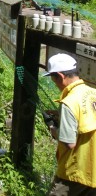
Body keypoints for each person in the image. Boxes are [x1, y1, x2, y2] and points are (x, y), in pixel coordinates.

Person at [44, 53, 96, 195]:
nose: (55, 85)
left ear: (60, 76)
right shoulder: (93, 92)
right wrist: (60, 115)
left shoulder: (69, 103)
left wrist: (53, 129)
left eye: (54, 80)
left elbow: (69, 143)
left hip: (76, 171)